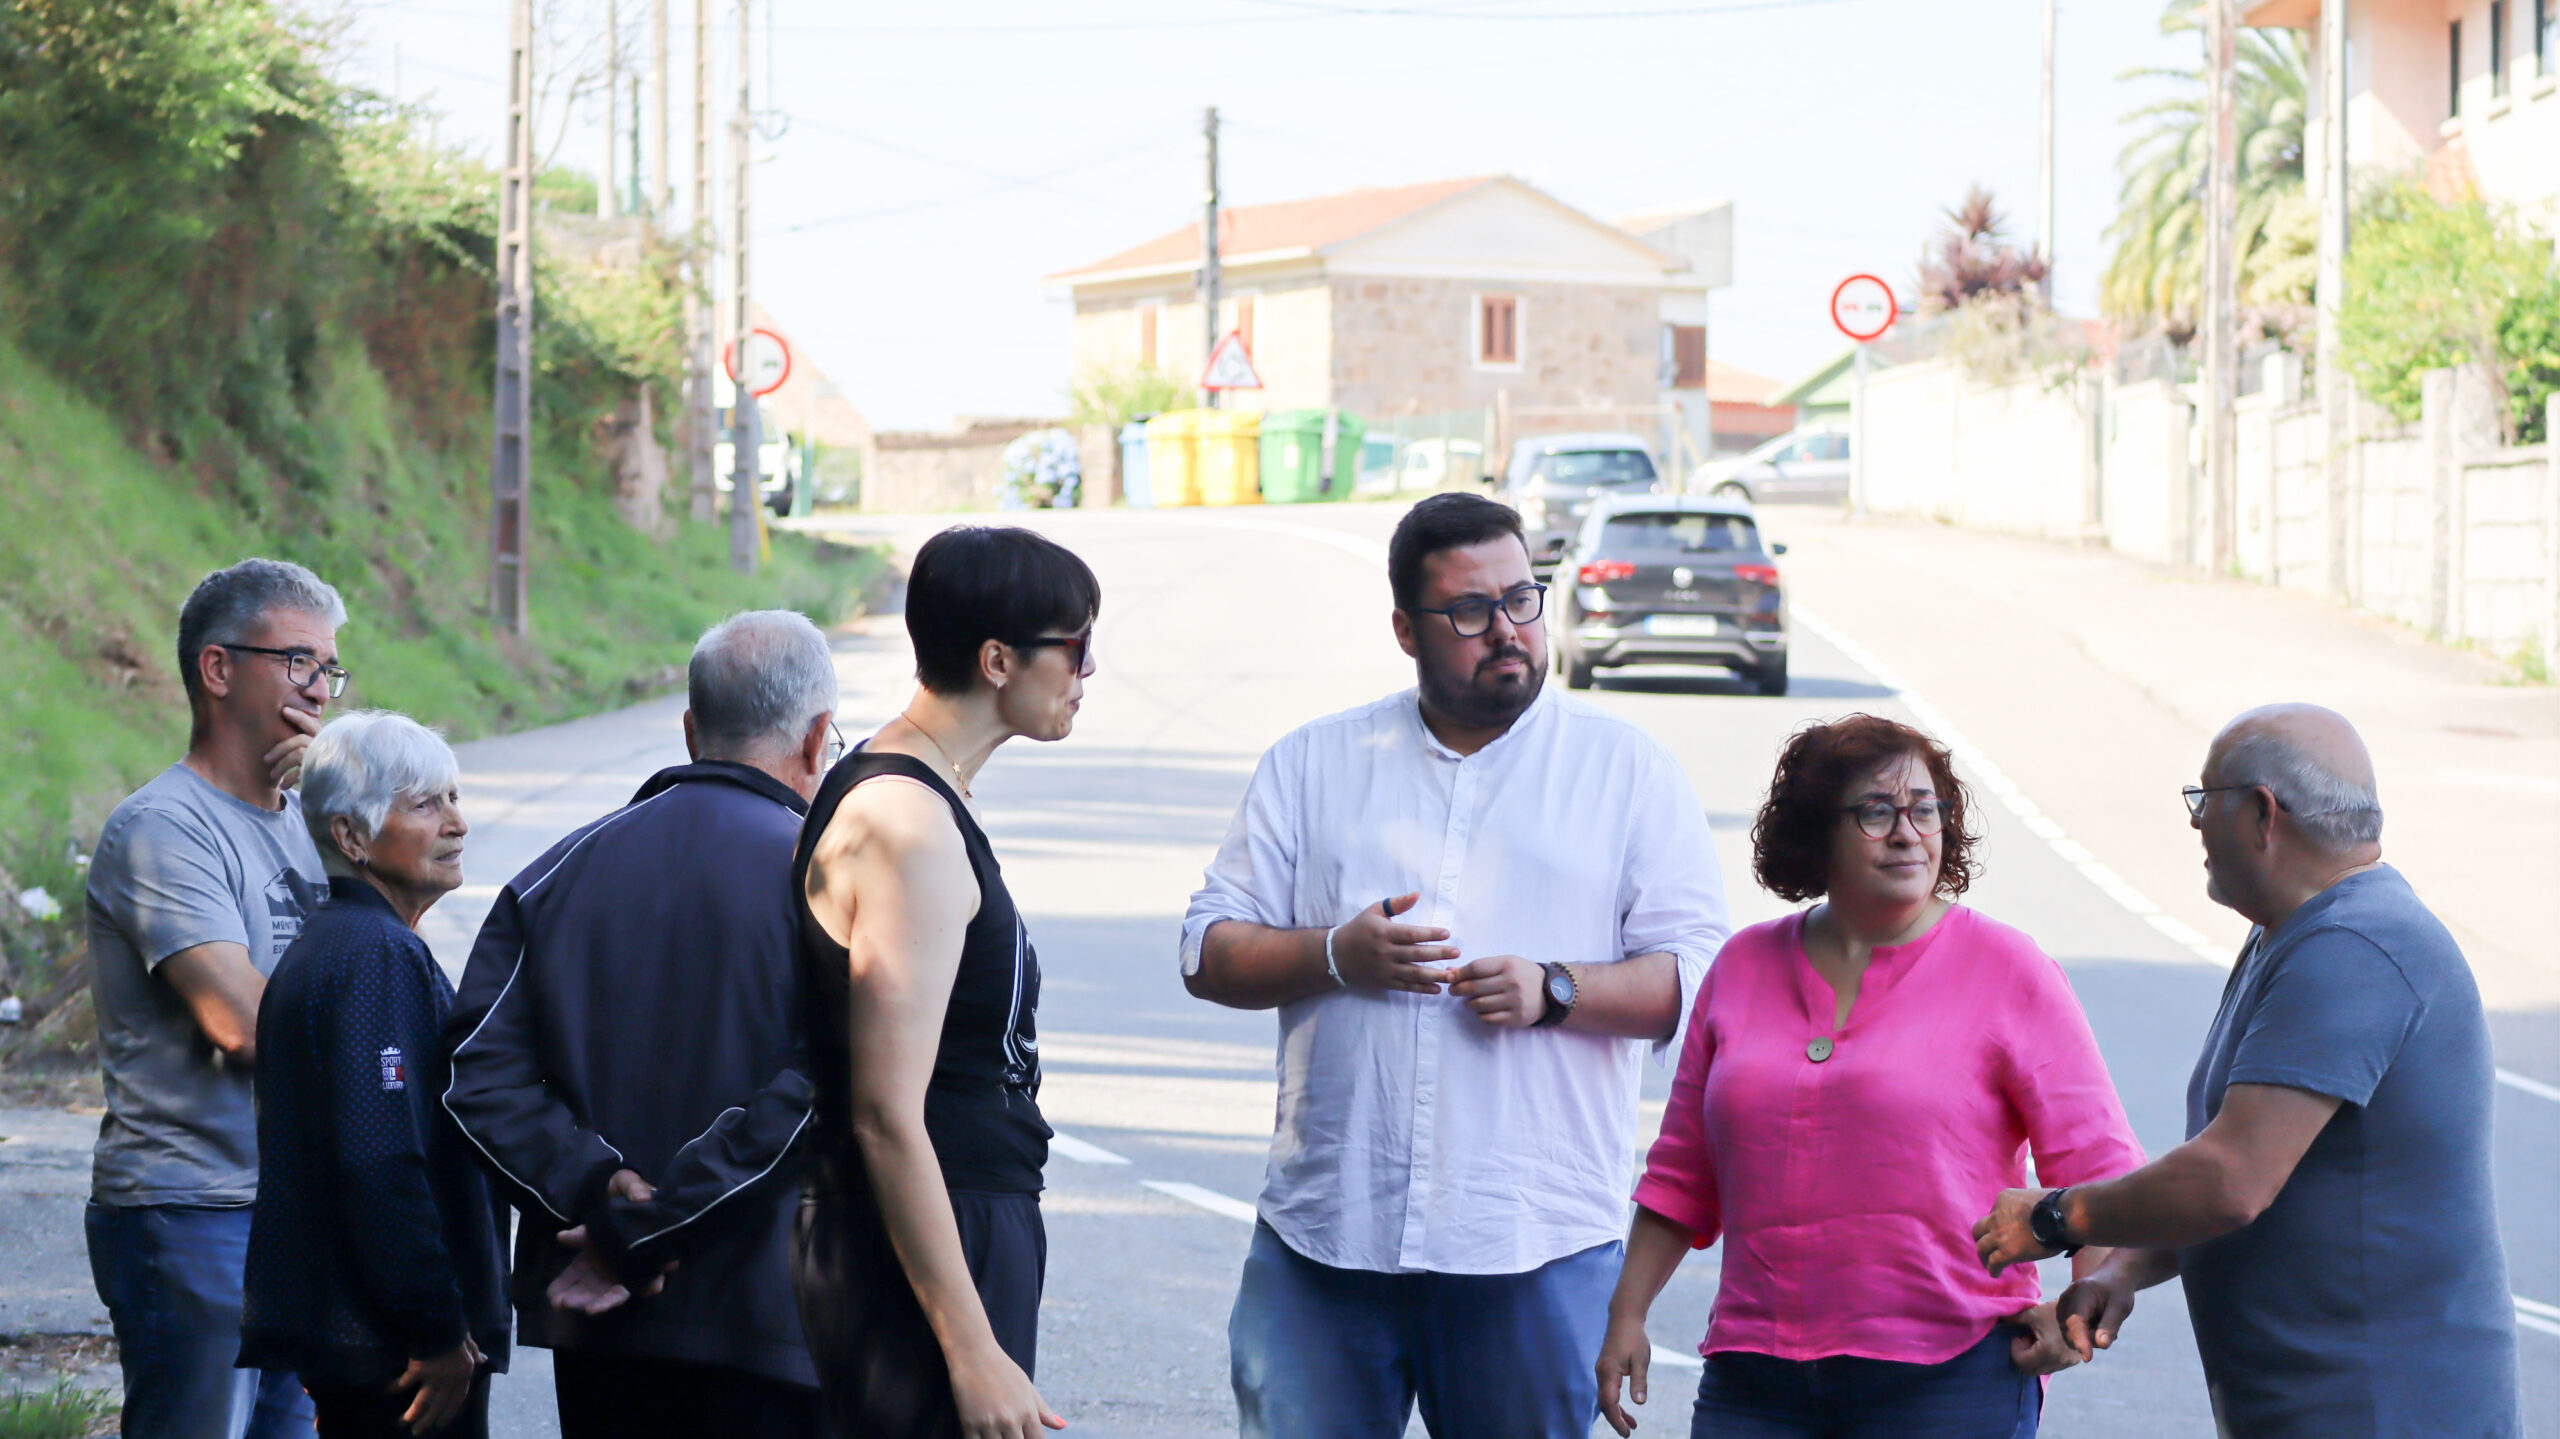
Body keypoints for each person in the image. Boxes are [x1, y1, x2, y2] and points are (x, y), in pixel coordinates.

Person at [1181, 492, 1731, 1439]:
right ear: (1405, 628)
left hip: (1531, 1243)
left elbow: (1700, 981)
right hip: (1328, 1238)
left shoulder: (1625, 770)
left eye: (1523, 599)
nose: (1508, 630)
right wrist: (1334, 954)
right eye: (1471, 613)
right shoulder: (1315, 762)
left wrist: (1557, 990)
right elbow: (1207, 949)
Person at [1973, 703, 2521, 1439]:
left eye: (2206, 800)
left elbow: (2231, 1180)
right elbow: (2248, 1172)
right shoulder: (2297, 934)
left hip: (2382, 1409)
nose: (2196, 824)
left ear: (2263, 814)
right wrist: (2120, 1273)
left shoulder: (2355, 947)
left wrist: (2057, 1216)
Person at [1595, 714, 2146, 1439]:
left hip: (1951, 1377)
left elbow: (2100, 1164)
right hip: (1753, 1378)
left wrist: (2081, 1302)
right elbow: (1682, 1174)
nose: (1907, 831)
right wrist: (1627, 1313)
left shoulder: (2008, 968)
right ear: (1817, 830)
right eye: (1876, 810)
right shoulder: (1742, 967)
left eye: (1925, 808)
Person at [442, 611, 841, 1437]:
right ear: (818, 739)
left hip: (597, 1312)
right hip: (777, 1308)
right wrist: (658, 1224)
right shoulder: (832, 883)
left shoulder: (554, 876)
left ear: (691, 730)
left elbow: (474, 1075)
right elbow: (828, 1082)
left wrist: (597, 1188)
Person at [791, 526, 1095, 1439]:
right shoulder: (907, 825)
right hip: (925, 1239)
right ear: (998, 659)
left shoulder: (921, 793)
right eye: (1076, 648)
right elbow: (886, 1111)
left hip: (947, 1221)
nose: (1088, 673)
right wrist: (970, 1347)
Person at [84, 558, 345, 1439]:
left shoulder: (311, 825)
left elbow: (395, 971)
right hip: (189, 1210)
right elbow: (242, 1024)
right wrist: (373, 1046)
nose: (321, 689)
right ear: (219, 667)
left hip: (289, 1208)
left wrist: (348, 819)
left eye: (330, 669)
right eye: (299, 661)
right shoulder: (163, 828)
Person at [238, 711, 509, 1437]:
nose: (455, 822)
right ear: (350, 838)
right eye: (424, 804)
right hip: (395, 1352)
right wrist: (438, 1328)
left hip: (362, 1339)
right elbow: (378, 1158)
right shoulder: (373, 955)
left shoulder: (343, 943)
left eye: (453, 797)